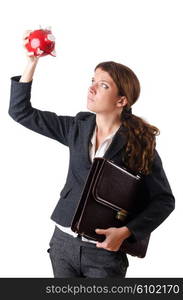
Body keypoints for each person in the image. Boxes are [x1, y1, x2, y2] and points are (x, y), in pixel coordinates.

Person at [8, 30, 175, 278]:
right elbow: (20, 111)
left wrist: (126, 232)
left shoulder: (138, 143)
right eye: (93, 80)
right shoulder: (77, 126)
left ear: (121, 101)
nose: (92, 88)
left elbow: (164, 201)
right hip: (62, 244)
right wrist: (32, 63)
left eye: (103, 85)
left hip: (104, 252)